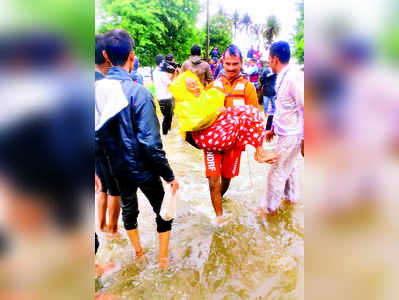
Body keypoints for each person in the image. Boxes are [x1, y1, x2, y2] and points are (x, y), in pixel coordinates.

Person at [95, 29, 179, 269]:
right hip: (144, 168)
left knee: (128, 209)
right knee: (163, 210)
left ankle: (139, 253)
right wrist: (169, 176)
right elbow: (151, 143)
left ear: (105, 55)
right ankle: (163, 259)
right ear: (131, 56)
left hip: (116, 167)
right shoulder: (140, 93)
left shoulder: (95, 91)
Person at [201, 45, 262, 224]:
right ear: (222, 62)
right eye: (227, 63)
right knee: (213, 180)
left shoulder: (248, 88)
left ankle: (218, 198)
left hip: (235, 143)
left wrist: (259, 148)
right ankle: (219, 218)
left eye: (235, 64)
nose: (231, 68)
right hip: (212, 142)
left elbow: (255, 119)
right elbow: (202, 112)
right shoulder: (213, 86)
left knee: (226, 178)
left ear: (241, 63)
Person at [260, 41, 304, 215]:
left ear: (274, 59)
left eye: (269, 58)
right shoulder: (283, 76)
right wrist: (273, 129)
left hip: (293, 134)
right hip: (285, 133)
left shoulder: (293, 77)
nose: (268, 61)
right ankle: (291, 200)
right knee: (289, 168)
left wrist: (306, 139)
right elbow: (284, 108)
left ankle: (269, 211)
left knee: (276, 172)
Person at [95, 34, 121, 235]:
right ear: (106, 55)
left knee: (101, 187)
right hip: (106, 144)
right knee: (115, 189)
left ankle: (101, 225)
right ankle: (113, 230)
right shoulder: (107, 85)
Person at [153, 53, 179, 135]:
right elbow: (170, 83)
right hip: (166, 99)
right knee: (167, 120)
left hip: (160, 99)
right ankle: (165, 136)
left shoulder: (155, 72)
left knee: (166, 119)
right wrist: (174, 74)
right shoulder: (162, 73)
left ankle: (166, 136)